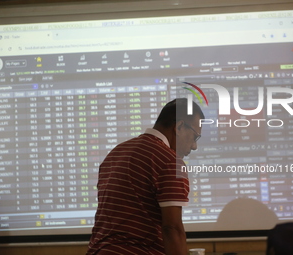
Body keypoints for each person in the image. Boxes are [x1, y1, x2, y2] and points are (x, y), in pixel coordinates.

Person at [86, 98, 205, 255]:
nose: (194, 146)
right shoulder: (170, 160)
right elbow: (172, 228)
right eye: (195, 137)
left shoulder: (116, 152)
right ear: (179, 126)